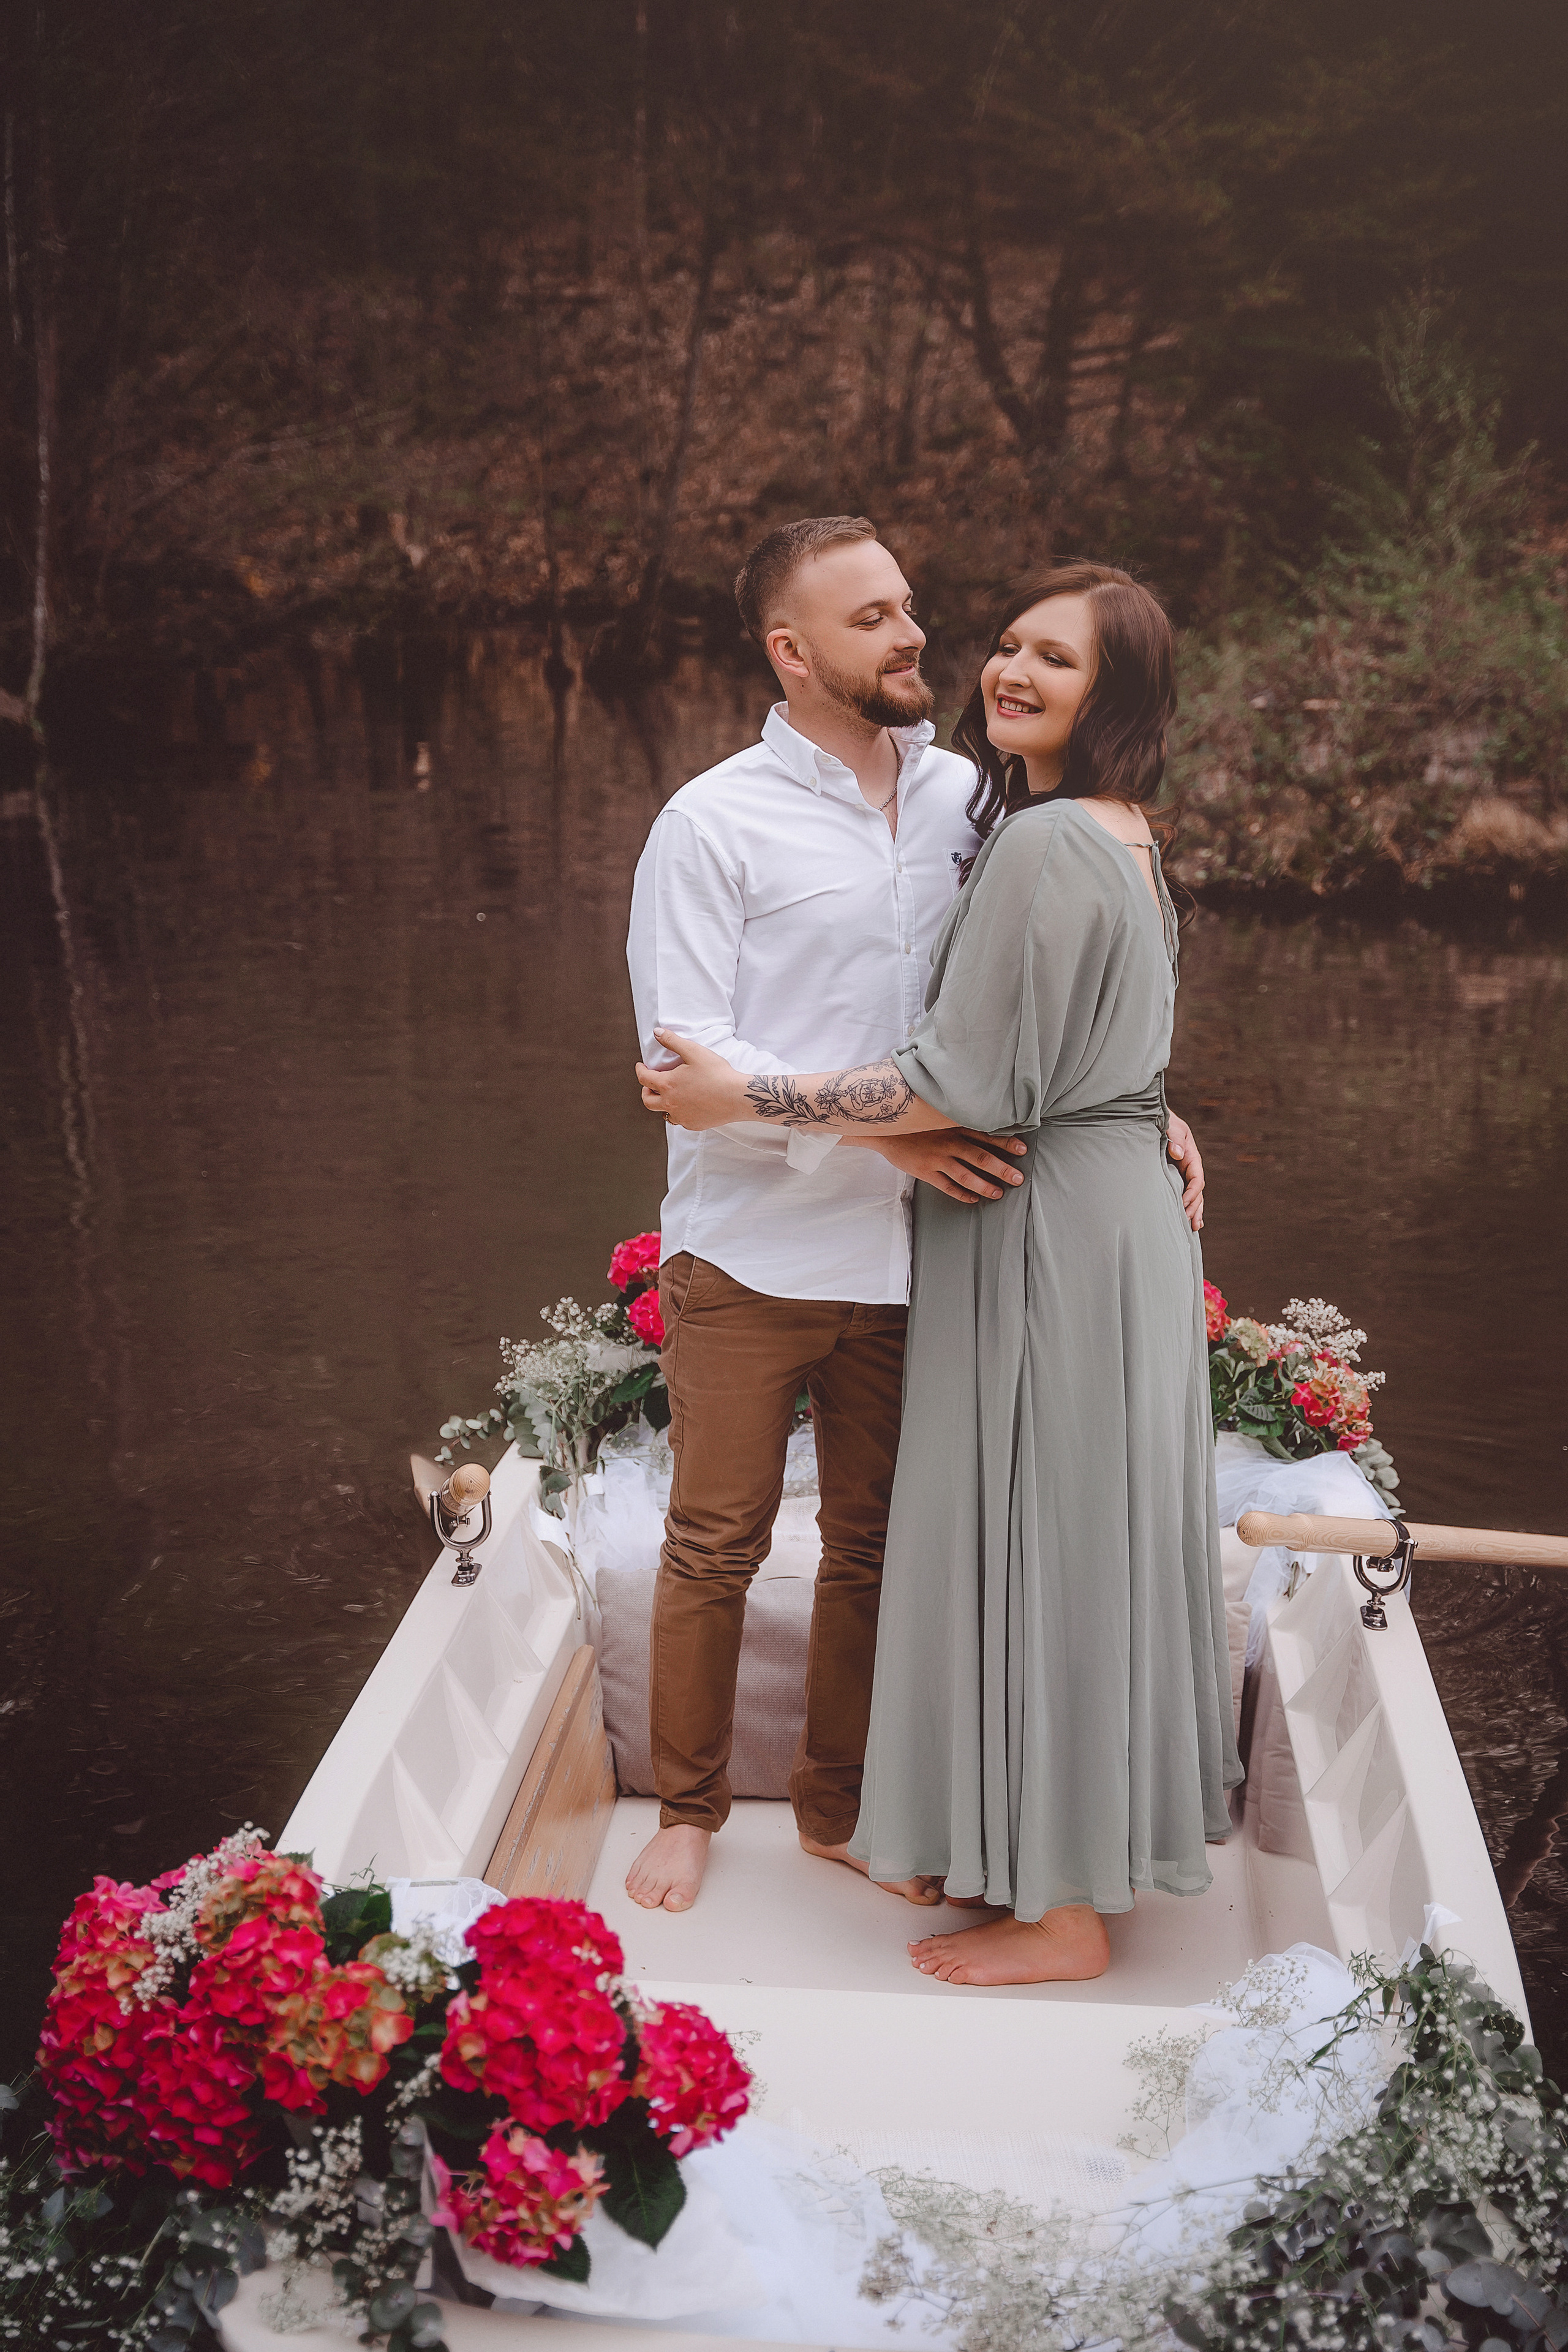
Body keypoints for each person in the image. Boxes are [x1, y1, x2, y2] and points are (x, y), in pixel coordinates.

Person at [636, 560, 1239, 1983]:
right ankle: (728, 1816)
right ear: (789, 649)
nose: (994, 665)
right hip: (856, 1232)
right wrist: (1123, 1105)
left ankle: (1055, 1905)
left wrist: (751, 1100)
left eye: (1054, 659)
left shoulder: (1001, 821)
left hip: (1027, 1227)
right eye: (1009, 644)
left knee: (1039, 1545)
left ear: (1115, 697)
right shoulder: (1080, 823)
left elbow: (962, 1072)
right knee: (1043, 1542)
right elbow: (1065, 1023)